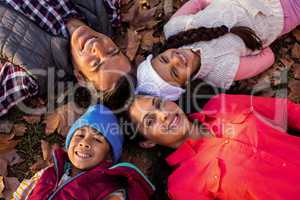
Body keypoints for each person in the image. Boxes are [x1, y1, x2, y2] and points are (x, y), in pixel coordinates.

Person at [127, 93, 300, 199]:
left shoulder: (221, 104)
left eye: (159, 103)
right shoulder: (182, 186)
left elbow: (287, 111)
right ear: (148, 142)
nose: (163, 114)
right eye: (150, 121)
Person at [136, 0, 300, 101]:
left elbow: (197, 2)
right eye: (175, 72)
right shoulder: (222, 72)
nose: (175, 59)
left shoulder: (174, 28)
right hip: (282, 13)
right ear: (184, 83)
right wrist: (262, 35)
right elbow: (268, 57)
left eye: (164, 59)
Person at [0, 0, 133, 116]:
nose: (97, 46)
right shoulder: (106, 10)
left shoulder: (35, 71)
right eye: (112, 51)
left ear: (81, 77)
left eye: (96, 64)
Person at [12, 104, 155, 200]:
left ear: (109, 156)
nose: (85, 143)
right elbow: (23, 192)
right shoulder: (49, 171)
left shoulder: (109, 188)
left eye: (98, 140)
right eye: (80, 135)